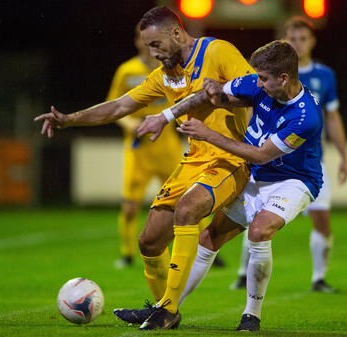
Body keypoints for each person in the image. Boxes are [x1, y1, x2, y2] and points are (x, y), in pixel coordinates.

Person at [34, 6, 253, 330]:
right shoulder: (165, 76)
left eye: (155, 44)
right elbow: (121, 105)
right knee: (149, 242)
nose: (152, 52)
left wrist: (217, 96)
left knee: (188, 210)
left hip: (231, 158)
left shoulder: (218, 51)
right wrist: (70, 119)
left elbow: (254, 90)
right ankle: (166, 310)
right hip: (194, 160)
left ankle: (166, 308)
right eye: (148, 46)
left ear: (177, 33)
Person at [137, 40, 323, 331]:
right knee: (209, 238)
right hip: (257, 176)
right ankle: (165, 309)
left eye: (263, 79)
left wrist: (208, 134)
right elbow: (216, 94)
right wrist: (208, 92)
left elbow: (261, 154)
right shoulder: (259, 83)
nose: (257, 83)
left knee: (260, 230)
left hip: (293, 180)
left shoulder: (304, 116)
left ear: (283, 79)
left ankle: (252, 315)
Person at [230, 16, 347, 293]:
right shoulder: (272, 75)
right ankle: (242, 273)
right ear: (285, 40)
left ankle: (319, 278)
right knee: (256, 218)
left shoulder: (323, 76)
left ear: (312, 41)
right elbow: (250, 104)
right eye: (293, 39)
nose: (298, 43)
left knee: (322, 219)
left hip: (307, 163)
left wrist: (343, 155)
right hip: (270, 159)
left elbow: (333, 117)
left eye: (303, 38)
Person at [106, 26, 183, 269]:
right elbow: (113, 106)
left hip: (166, 143)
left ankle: (202, 249)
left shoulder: (170, 69)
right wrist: (129, 123)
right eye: (145, 41)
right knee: (130, 207)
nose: (149, 45)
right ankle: (127, 254)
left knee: (184, 200)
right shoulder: (126, 71)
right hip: (139, 148)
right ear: (138, 42)